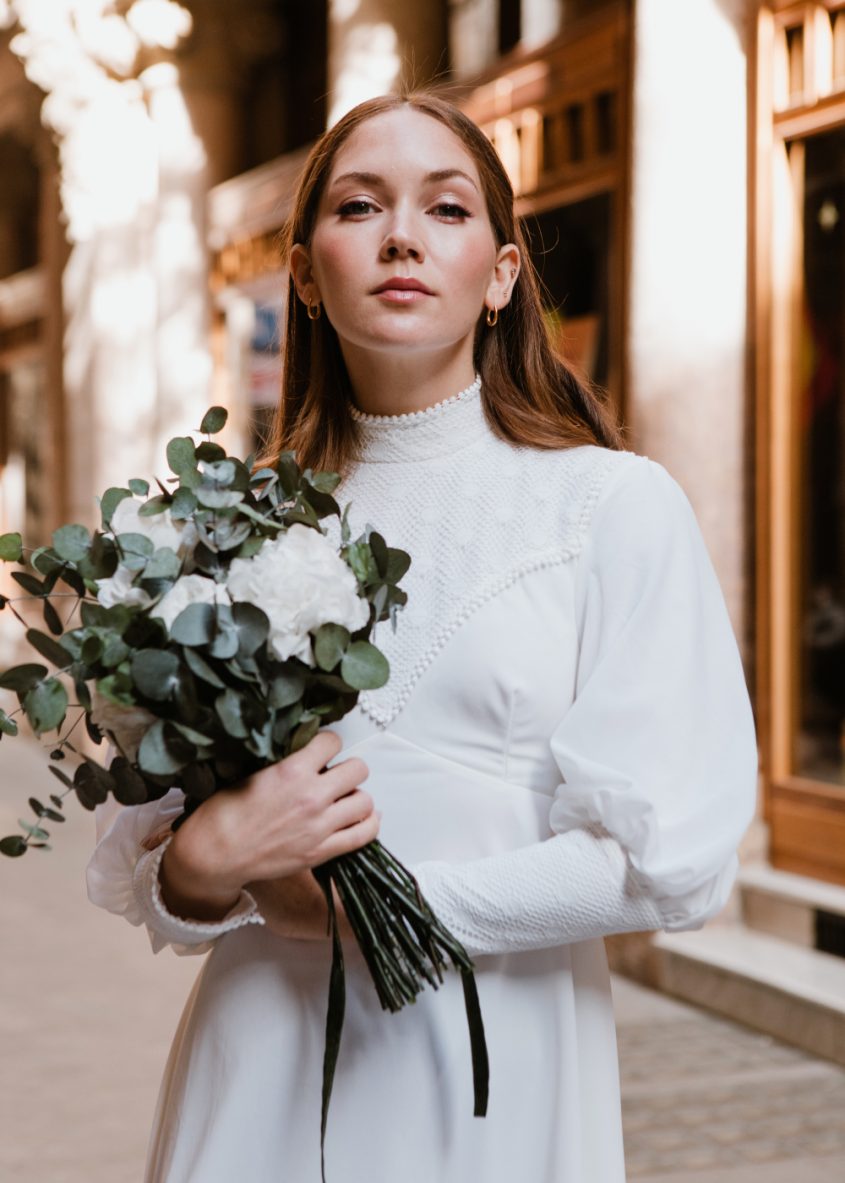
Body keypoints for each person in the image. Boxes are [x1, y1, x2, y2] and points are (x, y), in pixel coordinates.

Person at [86, 91, 758, 1182]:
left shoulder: (608, 507)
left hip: (495, 1065)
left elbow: (660, 859)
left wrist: (384, 914)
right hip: (260, 1055)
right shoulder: (215, 533)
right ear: (303, 273)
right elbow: (168, 856)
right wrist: (201, 867)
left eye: (445, 209)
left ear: (500, 275)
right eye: (360, 206)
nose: (400, 235)